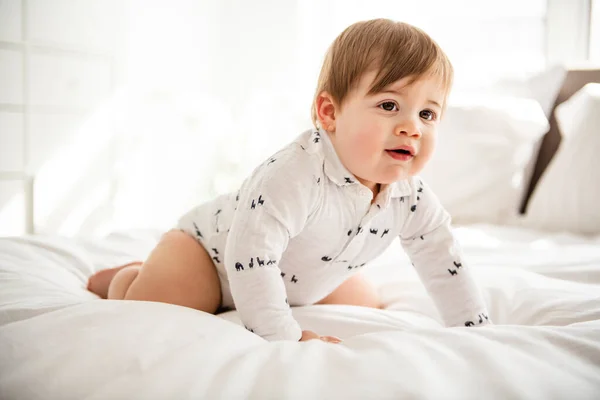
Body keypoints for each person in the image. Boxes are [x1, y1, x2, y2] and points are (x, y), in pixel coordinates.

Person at [88, 18, 491, 343]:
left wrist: (476, 330)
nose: (412, 128)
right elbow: (251, 253)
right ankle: (128, 278)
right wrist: (286, 338)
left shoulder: (411, 197)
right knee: (170, 299)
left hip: (300, 276)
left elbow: (442, 259)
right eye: (390, 105)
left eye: (428, 114)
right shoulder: (296, 174)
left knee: (366, 302)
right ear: (329, 113)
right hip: (212, 258)